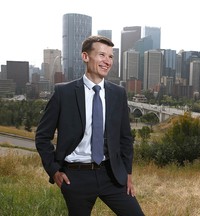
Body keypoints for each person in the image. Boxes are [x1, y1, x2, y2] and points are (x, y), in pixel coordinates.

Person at [35, 35, 144, 216]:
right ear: (85, 57)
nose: (107, 61)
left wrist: (128, 174)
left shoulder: (118, 94)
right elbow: (42, 136)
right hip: (76, 177)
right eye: (102, 55)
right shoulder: (64, 93)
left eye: (110, 57)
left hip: (112, 175)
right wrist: (54, 171)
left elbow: (125, 138)